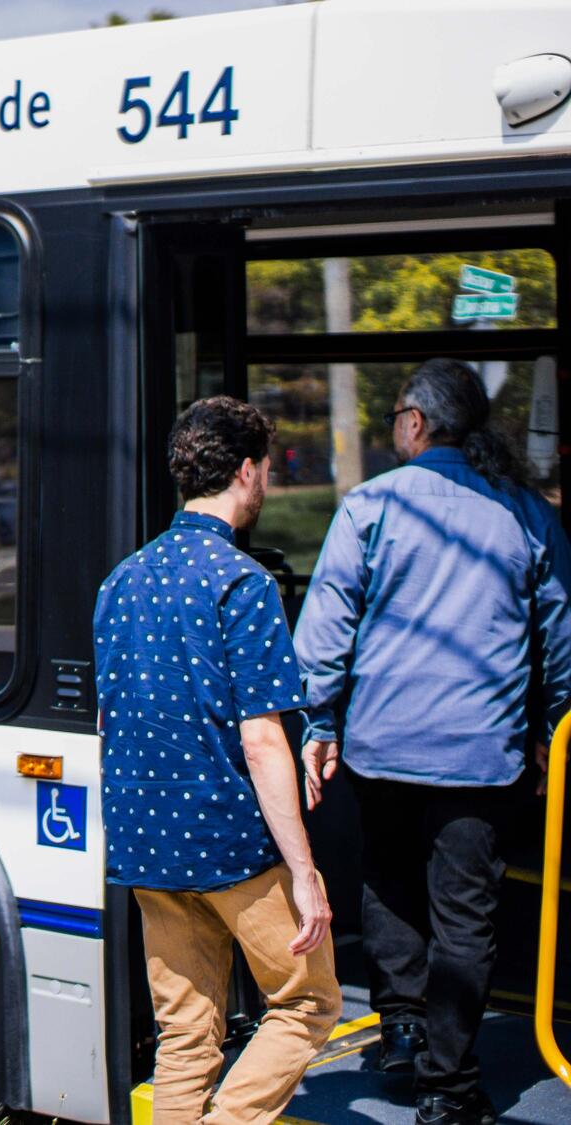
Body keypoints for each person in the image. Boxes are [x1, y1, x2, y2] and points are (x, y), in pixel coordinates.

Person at [295, 359, 571, 1125]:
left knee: (387, 883)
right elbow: (562, 638)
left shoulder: (369, 507)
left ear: (415, 422)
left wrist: (319, 722)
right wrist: (554, 728)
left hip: (382, 749)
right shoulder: (524, 513)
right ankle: (449, 1089)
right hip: (485, 757)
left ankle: (401, 1030)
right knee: (466, 913)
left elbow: (323, 634)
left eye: (393, 419)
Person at [92, 396, 341, 1125]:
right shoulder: (243, 582)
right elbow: (264, 739)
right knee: (307, 1000)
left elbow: (111, 717)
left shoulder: (121, 580)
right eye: (264, 468)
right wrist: (303, 870)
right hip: (234, 846)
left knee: (185, 1034)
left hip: (146, 847)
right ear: (245, 471)